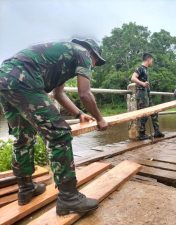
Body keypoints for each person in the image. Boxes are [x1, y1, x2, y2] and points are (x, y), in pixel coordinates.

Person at [0, 39, 108, 215]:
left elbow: (58, 94)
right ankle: (69, 198)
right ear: (92, 53)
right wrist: (100, 119)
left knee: (23, 137)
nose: (94, 65)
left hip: (5, 77)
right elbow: (85, 93)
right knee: (59, 134)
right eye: (97, 61)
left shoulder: (64, 57)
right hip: (24, 79)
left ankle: (26, 189)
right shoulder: (83, 53)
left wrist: (78, 114)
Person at [131, 53, 164, 140]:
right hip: (141, 94)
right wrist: (143, 84)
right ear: (148, 59)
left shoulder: (146, 69)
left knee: (154, 111)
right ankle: (141, 134)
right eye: (152, 60)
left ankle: (157, 131)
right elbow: (133, 78)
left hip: (147, 94)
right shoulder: (140, 68)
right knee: (144, 114)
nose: (152, 62)